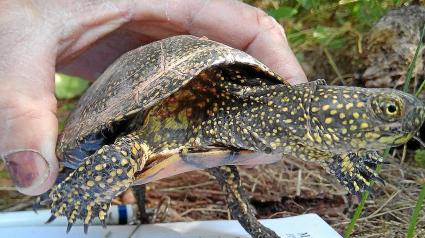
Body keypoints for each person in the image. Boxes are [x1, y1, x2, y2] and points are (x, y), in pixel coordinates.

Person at [0, 0, 306, 197]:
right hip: (133, 127)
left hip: (192, 130)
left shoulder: (241, 113)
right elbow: (120, 151)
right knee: (102, 164)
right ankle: (65, 195)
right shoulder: (146, 136)